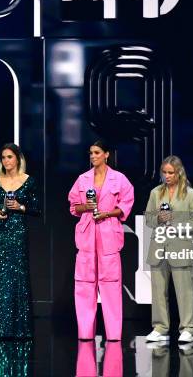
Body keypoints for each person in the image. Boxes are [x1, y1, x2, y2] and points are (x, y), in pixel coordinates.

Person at [68, 140, 134, 341]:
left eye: (97, 152)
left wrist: (106, 213)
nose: (93, 156)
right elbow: (73, 206)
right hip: (87, 237)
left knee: (111, 285)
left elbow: (125, 205)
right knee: (84, 284)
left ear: (106, 154)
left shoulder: (119, 179)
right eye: (91, 153)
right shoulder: (82, 179)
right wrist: (87, 208)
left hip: (108, 236)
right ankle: (85, 333)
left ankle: (114, 334)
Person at [145, 156, 193, 344]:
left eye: (171, 172)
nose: (167, 176)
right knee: (158, 291)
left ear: (179, 173)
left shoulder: (190, 194)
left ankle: (187, 328)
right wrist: (160, 219)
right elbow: (149, 219)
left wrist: (176, 226)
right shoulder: (155, 193)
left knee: (184, 291)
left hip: (181, 246)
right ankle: (160, 327)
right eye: (165, 172)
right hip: (159, 246)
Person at [0, 143, 40, 338]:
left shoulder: (29, 181)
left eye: (9, 157)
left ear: (18, 158)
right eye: (3, 157)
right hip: (1, 233)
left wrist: (20, 207)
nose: (6, 161)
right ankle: (2, 329)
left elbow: (37, 208)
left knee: (19, 277)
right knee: (2, 278)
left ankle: (21, 329)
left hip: (18, 233)